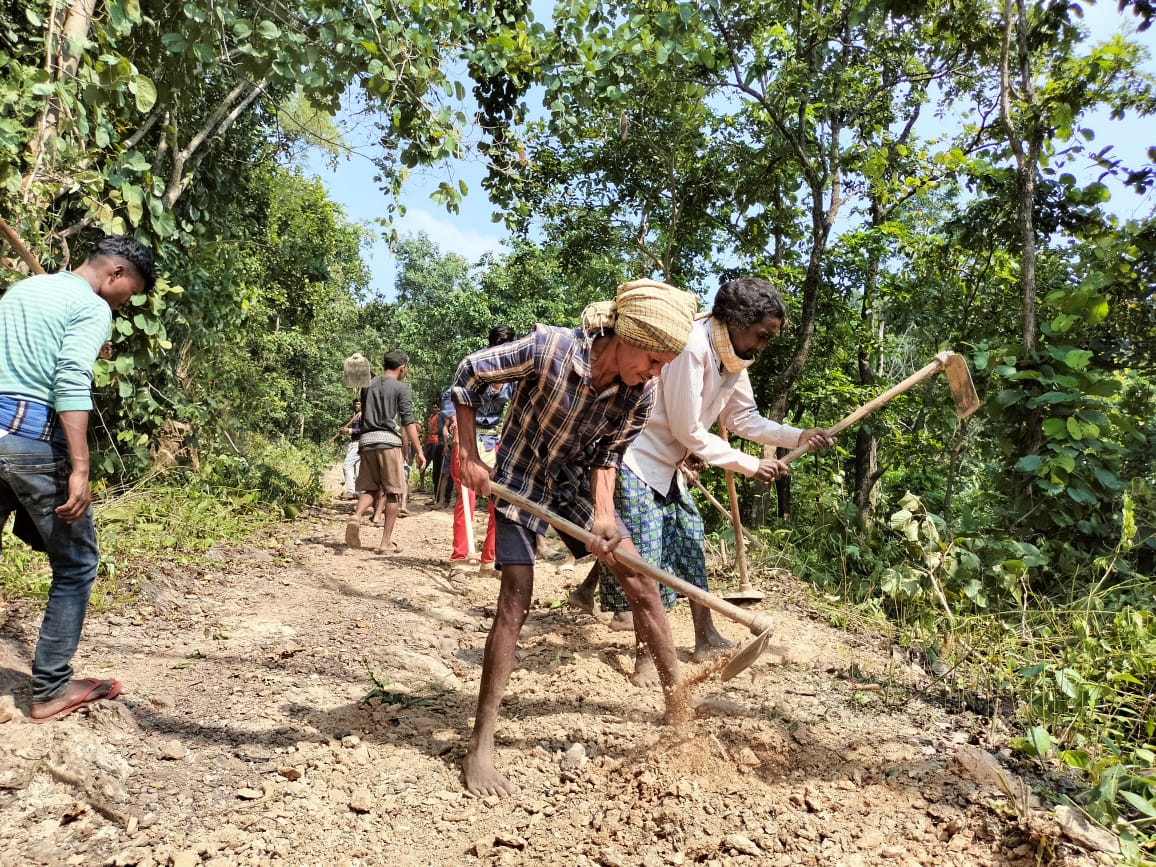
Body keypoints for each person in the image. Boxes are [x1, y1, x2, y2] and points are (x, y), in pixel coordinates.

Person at [452, 278, 698, 798]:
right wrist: (469, 455)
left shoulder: (639, 393)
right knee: (516, 596)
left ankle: (678, 706)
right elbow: (470, 374)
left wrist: (605, 518)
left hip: (575, 487)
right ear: (626, 335)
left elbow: (608, 456)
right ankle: (481, 743)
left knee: (642, 583)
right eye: (651, 360)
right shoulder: (550, 349)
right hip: (519, 478)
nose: (653, 373)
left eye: (660, 366)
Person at [570, 277, 835, 682]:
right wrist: (749, 466)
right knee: (647, 561)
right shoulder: (692, 346)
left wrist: (795, 436)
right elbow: (688, 430)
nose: (762, 346)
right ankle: (645, 656)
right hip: (634, 457)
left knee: (691, 542)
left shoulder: (734, 357)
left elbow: (741, 418)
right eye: (762, 335)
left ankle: (705, 635)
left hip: (669, 465)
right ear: (738, 320)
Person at [0, 234, 156, 722]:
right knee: (76, 562)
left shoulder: (24, 291)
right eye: (128, 292)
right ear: (114, 274)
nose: (124, 302)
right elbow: (68, 378)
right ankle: (50, 687)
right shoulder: (91, 307)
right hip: (28, 439)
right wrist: (80, 469)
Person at [448, 325, 517, 576]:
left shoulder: (515, 375)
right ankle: (460, 557)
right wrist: (454, 423)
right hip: (468, 436)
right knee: (466, 498)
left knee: (498, 500)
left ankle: (489, 559)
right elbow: (452, 396)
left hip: (494, 440)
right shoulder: (474, 368)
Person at [345, 350, 426, 554]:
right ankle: (385, 543)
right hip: (388, 442)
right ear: (402, 368)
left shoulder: (367, 386)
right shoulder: (401, 388)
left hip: (366, 442)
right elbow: (408, 422)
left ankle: (357, 515)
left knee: (370, 489)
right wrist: (419, 450)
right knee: (392, 493)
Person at [339, 399, 362, 498]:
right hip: (354, 444)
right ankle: (359, 492)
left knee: (346, 466)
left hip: (358, 444)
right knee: (357, 468)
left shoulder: (363, 415)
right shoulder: (356, 415)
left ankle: (351, 491)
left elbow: (364, 429)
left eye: (358, 404)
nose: (356, 405)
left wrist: (349, 430)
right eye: (355, 404)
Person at [419, 401, 441, 493]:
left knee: (437, 466)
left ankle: (437, 488)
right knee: (422, 464)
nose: (434, 409)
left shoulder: (440, 416)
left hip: (436, 442)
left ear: (439, 408)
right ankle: (422, 486)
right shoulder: (431, 418)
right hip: (429, 443)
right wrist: (421, 443)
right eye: (433, 407)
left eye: (436, 407)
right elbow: (428, 431)